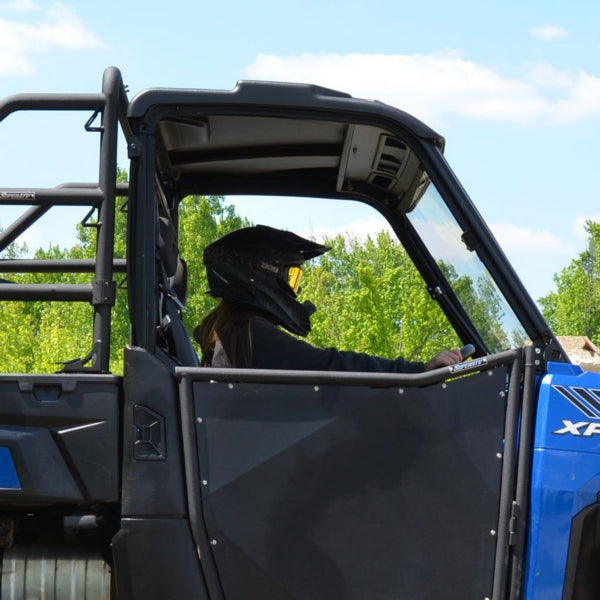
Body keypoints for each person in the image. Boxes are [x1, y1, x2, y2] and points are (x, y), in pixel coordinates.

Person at [194, 225, 463, 372]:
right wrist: (419, 369)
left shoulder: (223, 332)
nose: (295, 290)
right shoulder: (252, 334)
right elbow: (328, 364)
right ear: (260, 273)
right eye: (293, 277)